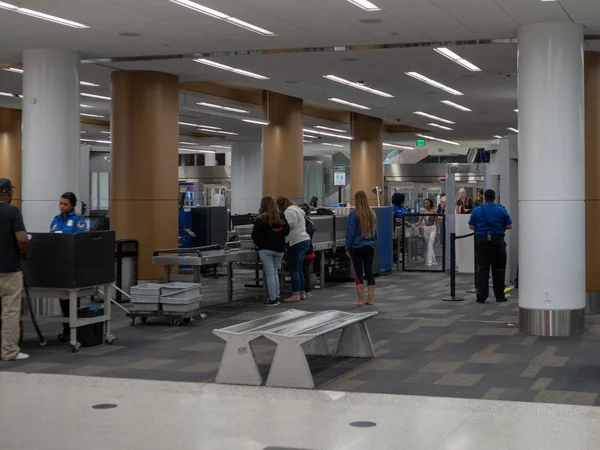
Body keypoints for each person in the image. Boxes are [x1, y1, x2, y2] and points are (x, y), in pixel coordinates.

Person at [50, 192, 86, 342]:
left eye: (65, 204)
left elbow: (81, 241)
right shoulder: (56, 220)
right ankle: (66, 328)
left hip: (72, 264)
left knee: (72, 297)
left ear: (72, 205)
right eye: (60, 203)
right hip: (59, 263)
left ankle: (73, 329)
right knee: (63, 297)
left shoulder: (78, 220)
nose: (61, 206)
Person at [0, 178, 30, 361]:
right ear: (8, 193)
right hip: (9, 270)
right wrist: (25, 254)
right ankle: (9, 351)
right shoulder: (13, 212)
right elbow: (22, 239)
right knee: (10, 311)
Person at [469, 189, 512, 304]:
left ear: (484, 197)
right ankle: (499, 295)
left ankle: (481, 296)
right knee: (498, 269)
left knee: (482, 269)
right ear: (494, 198)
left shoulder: (477, 210)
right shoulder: (501, 210)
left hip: (481, 242)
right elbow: (509, 225)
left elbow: (471, 226)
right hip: (497, 241)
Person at [252, 197, 290, 307]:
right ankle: (276, 296)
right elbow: (287, 231)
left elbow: (255, 235)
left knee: (270, 274)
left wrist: (260, 245)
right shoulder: (281, 217)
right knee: (274, 273)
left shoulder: (260, 219)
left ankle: (272, 299)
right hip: (279, 249)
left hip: (265, 250)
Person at [346, 190, 378, 306]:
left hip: (357, 247)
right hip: (369, 246)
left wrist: (347, 248)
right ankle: (370, 299)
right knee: (369, 272)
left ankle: (360, 299)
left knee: (358, 273)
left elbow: (350, 233)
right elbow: (375, 232)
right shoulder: (372, 213)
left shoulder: (354, 214)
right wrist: (373, 243)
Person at [276, 197, 311, 303]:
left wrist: (279, 226)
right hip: (304, 240)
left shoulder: (289, 211)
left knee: (294, 269)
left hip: (296, 241)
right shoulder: (297, 210)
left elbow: (290, 225)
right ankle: (302, 293)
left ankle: (296, 294)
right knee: (299, 269)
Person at [417, 199, 439, 267]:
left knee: (430, 243)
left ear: (430, 204)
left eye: (426, 203)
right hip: (426, 229)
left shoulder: (434, 212)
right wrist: (413, 224)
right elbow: (419, 222)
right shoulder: (424, 212)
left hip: (433, 228)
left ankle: (429, 262)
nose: (425, 204)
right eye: (424, 203)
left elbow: (437, 223)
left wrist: (437, 233)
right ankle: (433, 260)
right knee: (429, 245)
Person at [302, 215, 316, 298]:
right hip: (309, 251)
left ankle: (305, 290)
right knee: (306, 271)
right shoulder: (310, 225)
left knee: (302, 271)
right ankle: (307, 290)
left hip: (305, 252)